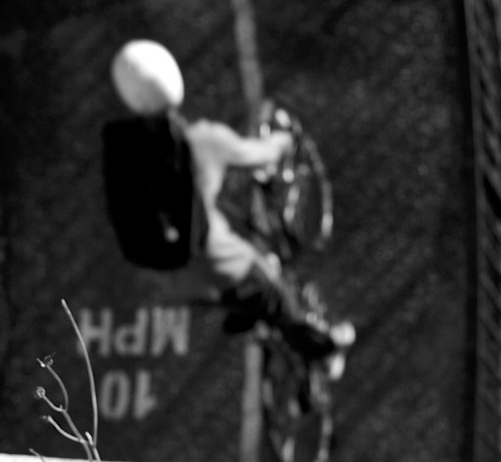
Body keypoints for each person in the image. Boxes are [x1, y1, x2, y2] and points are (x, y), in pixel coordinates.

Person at [108, 39, 354, 379]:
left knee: (237, 235)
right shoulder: (204, 140)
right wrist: (284, 141)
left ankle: (246, 310)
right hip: (218, 266)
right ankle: (326, 352)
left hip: (169, 281)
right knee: (277, 296)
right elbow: (262, 154)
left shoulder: (127, 150)